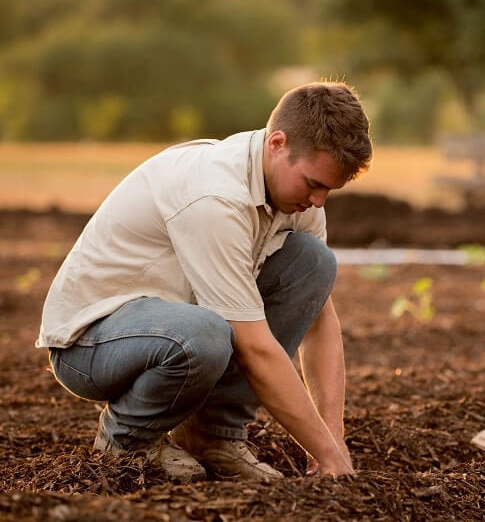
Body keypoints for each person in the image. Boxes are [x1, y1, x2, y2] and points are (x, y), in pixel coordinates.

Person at [36, 81, 372, 483]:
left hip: (173, 323)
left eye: (328, 190)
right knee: (205, 334)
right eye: (313, 184)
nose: (318, 201)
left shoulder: (296, 198)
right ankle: (128, 441)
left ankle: (212, 435)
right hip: (90, 342)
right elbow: (255, 349)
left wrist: (333, 443)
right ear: (277, 144)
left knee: (314, 263)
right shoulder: (215, 197)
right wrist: (323, 451)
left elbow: (318, 320)